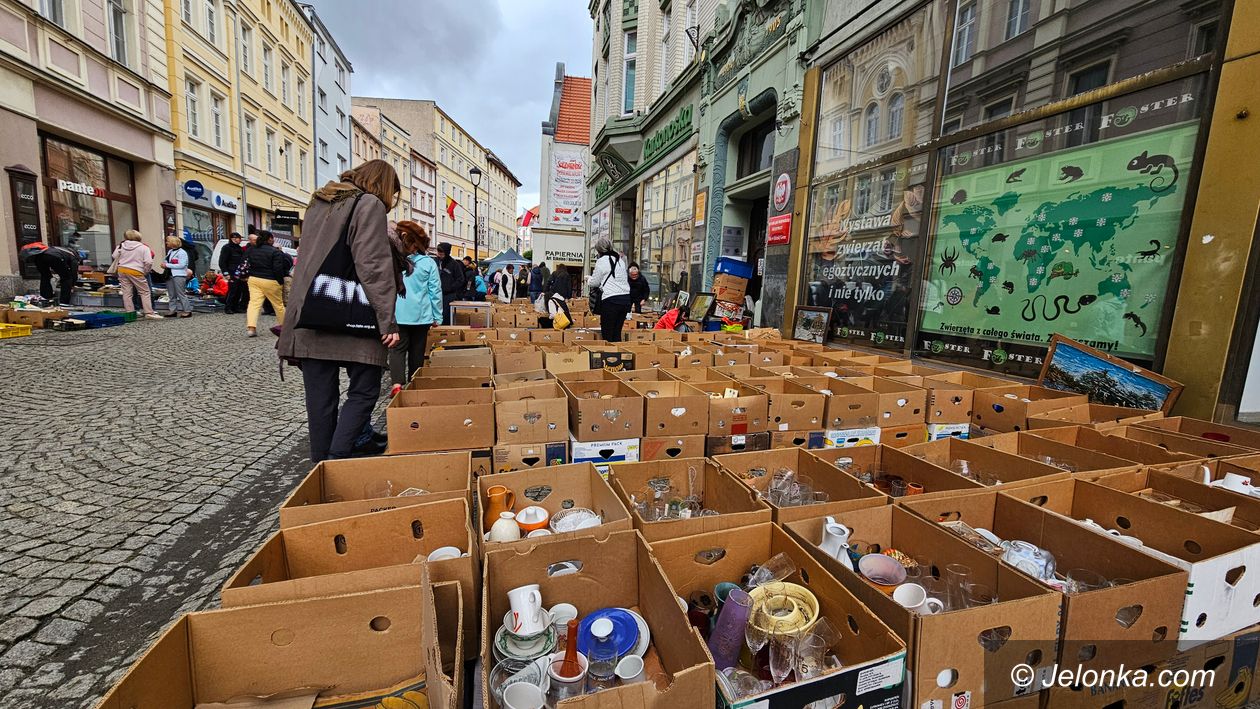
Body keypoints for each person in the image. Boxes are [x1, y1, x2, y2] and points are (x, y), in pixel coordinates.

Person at [277, 159, 404, 463]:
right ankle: (336, 461)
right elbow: (372, 265)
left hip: (311, 312)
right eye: (394, 194)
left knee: (320, 400)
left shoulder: (320, 201)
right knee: (364, 390)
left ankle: (320, 468)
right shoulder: (368, 204)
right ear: (385, 186)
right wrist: (387, 321)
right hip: (351, 314)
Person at [390, 221, 442, 387]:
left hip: (398, 314)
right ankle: (414, 385)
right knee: (417, 352)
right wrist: (437, 316)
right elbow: (435, 292)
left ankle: (397, 385)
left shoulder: (395, 259)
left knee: (397, 350)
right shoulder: (428, 263)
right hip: (421, 315)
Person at [244, 230, 291, 336]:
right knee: (278, 305)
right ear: (269, 239)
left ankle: (251, 328)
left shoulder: (251, 249)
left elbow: (244, 262)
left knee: (254, 304)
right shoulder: (275, 252)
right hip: (270, 280)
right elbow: (277, 268)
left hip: (254, 279)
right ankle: (284, 327)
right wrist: (280, 282)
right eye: (272, 238)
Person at [111, 230, 162, 319]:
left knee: (127, 293)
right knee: (144, 292)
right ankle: (149, 312)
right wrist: (145, 271)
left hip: (122, 270)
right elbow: (148, 262)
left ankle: (130, 313)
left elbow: (114, 256)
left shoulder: (120, 246)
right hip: (136, 271)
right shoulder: (143, 247)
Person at [590, 238, 631, 342]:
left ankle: (609, 356)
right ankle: (618, 355)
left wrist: (588, 279)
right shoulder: (620, 260)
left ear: (599, 250)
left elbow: (595, 282)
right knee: (617, 332)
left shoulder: (601, 261)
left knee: (607, 333)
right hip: (625, 299)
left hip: (611, 300)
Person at [434, 242, 465, 325]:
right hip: (434, 293)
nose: (439, 256)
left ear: (447, 253)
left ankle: (446, 333)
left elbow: (461, 279)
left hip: (448, 295)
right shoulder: (434, 261)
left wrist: (450, 288)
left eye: (442, 254)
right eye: (438, 253)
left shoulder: (454, 264)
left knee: (446, 316)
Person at [163, 235, 193, 318]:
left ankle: (187, 310)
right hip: (170, 274)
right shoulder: (170, 252)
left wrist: (167, 265)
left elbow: (182, 265)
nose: (166, 243)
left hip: (179, 274)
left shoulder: (182, 252)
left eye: (168, 241)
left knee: (181, 293)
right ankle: (172, 310)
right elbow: (167, 260)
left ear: (173, 242)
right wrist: (165, 263)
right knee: (171, 294)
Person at [219, 232, 247, 313]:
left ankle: (235, 307)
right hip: (231, 272)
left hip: (240, 272)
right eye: (239, 238)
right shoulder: (226, 248)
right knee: (232, 290)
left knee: (239, 290)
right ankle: (228, 307)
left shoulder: (239, 248)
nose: (240, 240)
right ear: (234, 239)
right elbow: (222, 261)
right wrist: (225, 273)